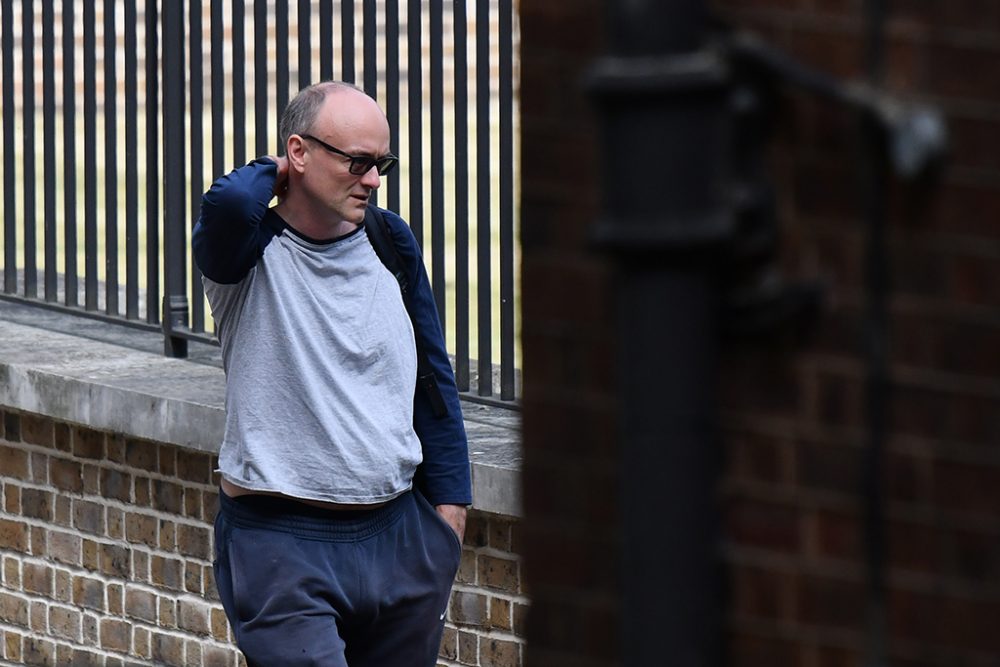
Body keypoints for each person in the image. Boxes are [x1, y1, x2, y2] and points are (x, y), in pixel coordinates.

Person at [193, 81, 471, 667]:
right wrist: (276, 168)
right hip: (281, 545)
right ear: (299, 152)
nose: (373, 180)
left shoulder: (389, 241)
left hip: (401, 540)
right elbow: (228, 203)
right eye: (358, 162)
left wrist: (449, 517)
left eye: (381, 164)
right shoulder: (244, 253)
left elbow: (432, 381)